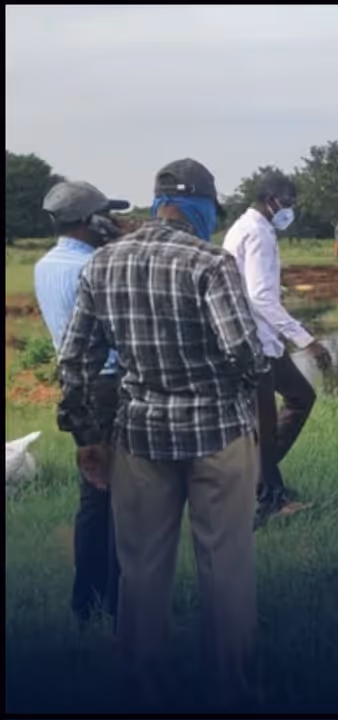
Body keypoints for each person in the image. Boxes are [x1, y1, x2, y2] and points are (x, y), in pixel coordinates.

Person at [56, 158, 266, 711]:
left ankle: (141, 688)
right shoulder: (211, 262)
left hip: (140, 434)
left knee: (142, 567)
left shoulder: (102, 264)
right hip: (217, 432)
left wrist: (86, 435)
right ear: (199, 208)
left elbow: (76, 358)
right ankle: (227, 689)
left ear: (156, 204)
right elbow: (244, 352)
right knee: (225, 562)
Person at [35, 180, 130, 624]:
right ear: (93, 221)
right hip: (107, 385)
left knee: (95, 494)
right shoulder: (97, 267)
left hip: (76, 385)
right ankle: (111, 602)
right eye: (107, 215)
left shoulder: (45, 265)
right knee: (120, 497)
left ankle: (87, 601)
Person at [222, 171, 332, 528]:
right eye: (288, 204)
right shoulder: (256, 232)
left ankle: (258, 479)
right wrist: (307, 340)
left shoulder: (251, 228)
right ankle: (267, 498)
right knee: (264, 427)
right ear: (272, 201)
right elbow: (260, 297)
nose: (290, 211)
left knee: (299, 397)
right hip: (253, 343)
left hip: (264, 340)